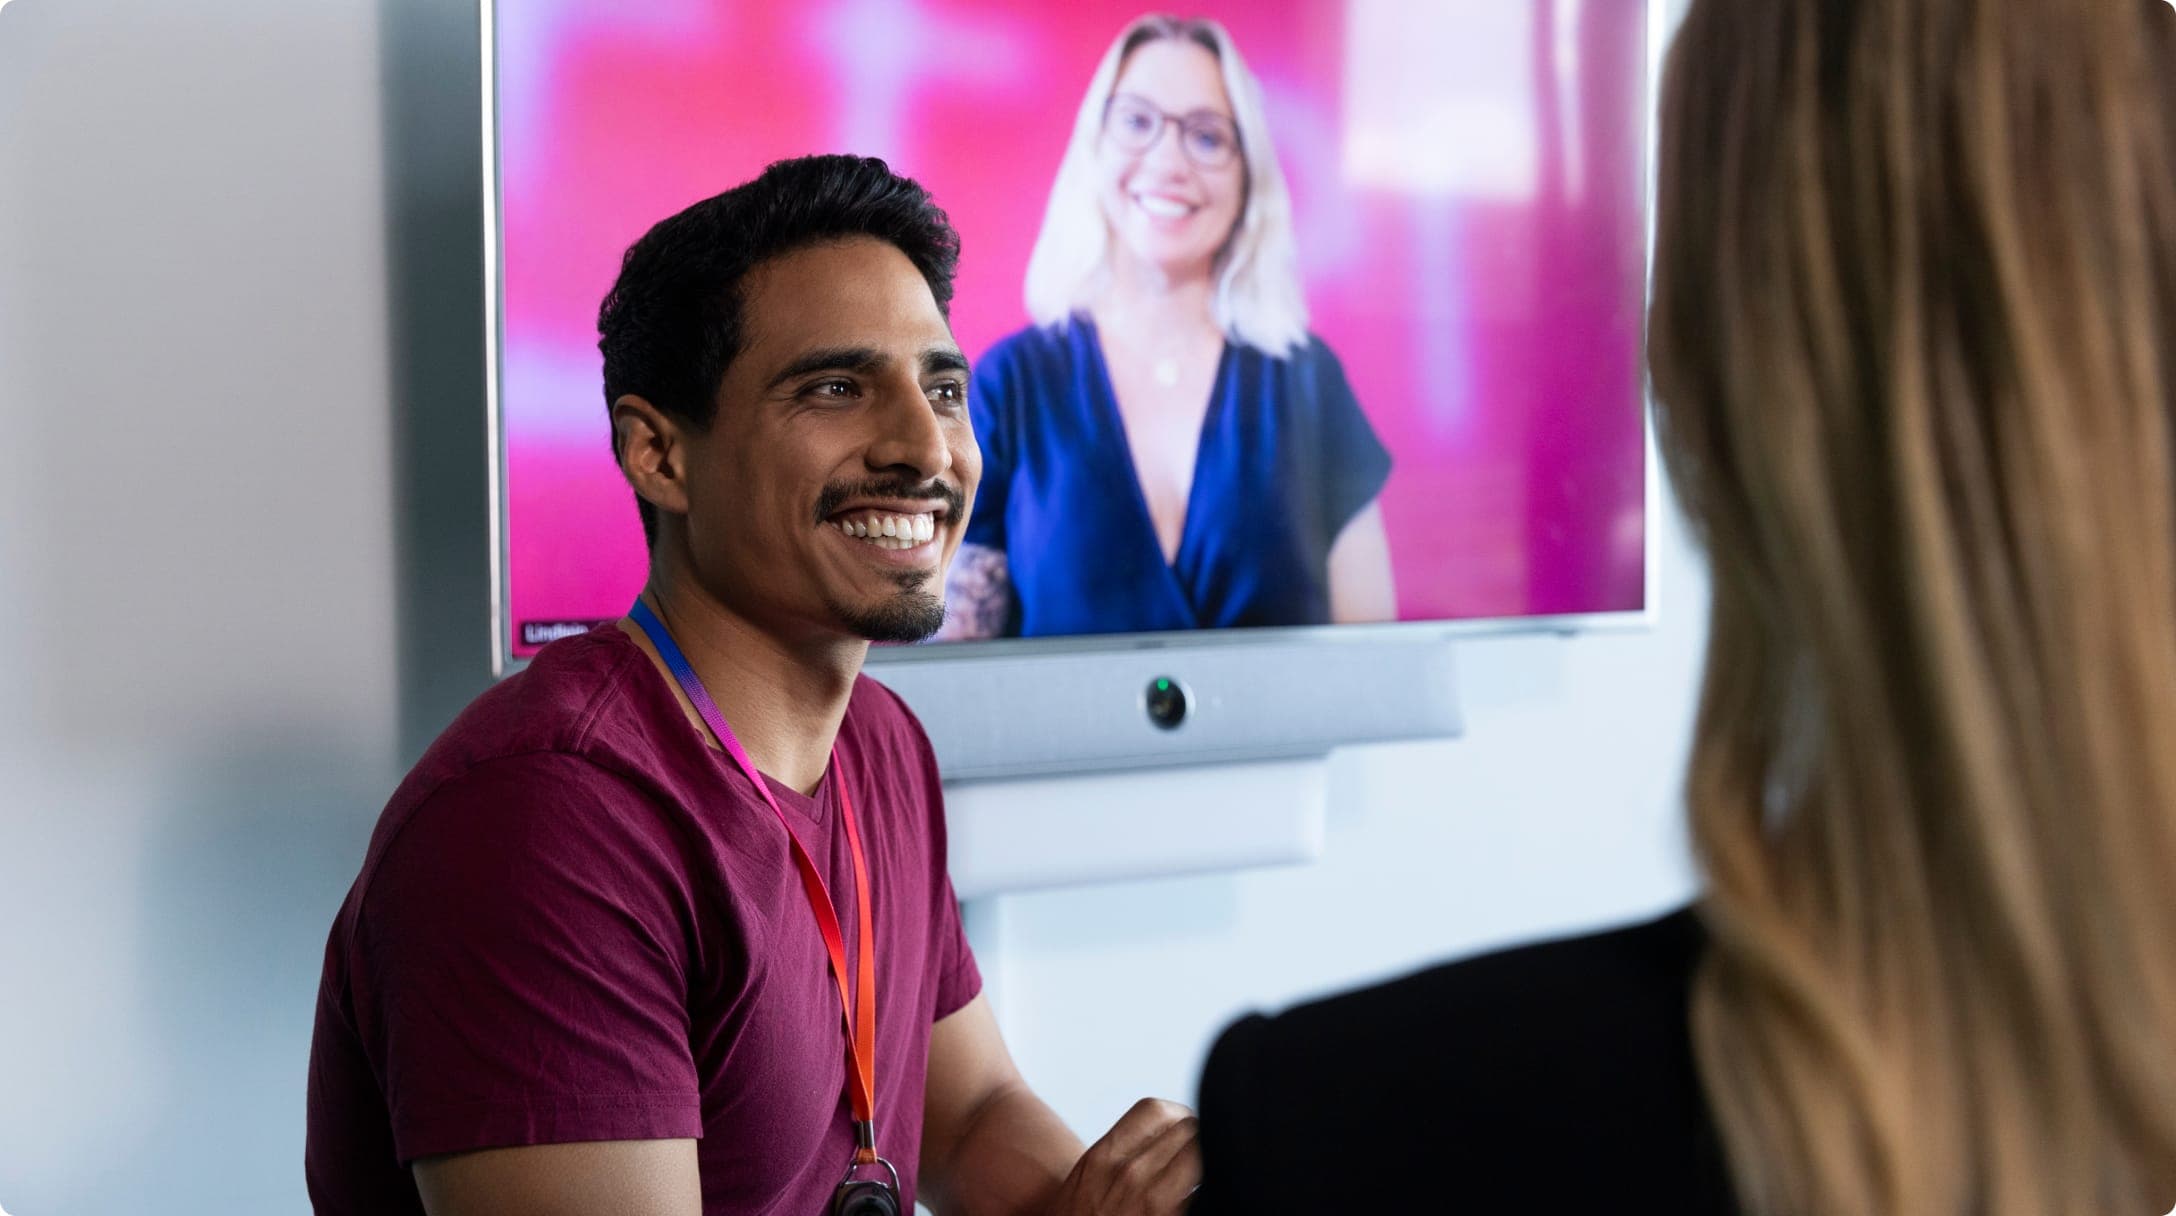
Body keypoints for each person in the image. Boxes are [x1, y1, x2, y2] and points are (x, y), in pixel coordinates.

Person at [1190, 0, 2176, 1213]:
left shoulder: (1353, 1129)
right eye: (1145, 123)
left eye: (1208, 131)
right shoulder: (1029, 384)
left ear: (1699, 379)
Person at [304, 155, 1200, 1215]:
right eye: (834, 387)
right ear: (658, 455)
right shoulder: (546, 820)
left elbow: (969, 1111)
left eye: (943, 389)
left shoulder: (880, 741)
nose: (925, 447)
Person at [938, 14, 1396, 641]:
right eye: (1137, 122)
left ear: (1247, 174)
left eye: (1207, 137)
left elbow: (1374, 668)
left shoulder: (1310, 382)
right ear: (1094, 146)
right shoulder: (1008, 385)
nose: (1169, 160)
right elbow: (957, 685)